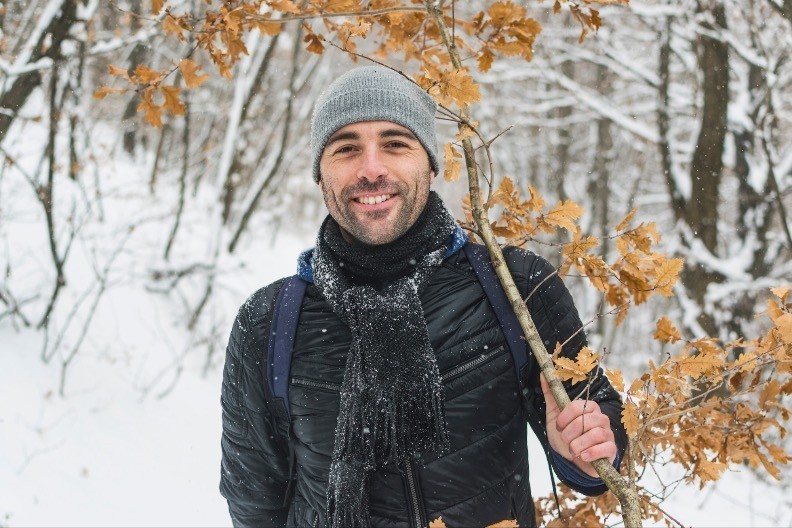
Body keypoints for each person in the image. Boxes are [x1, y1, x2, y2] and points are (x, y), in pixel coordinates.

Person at [219, 66, 627, 528]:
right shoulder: (270, 322)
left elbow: (600, 444)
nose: (371, 169)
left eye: (395, 144)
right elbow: (254, 502)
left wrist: (585, 446)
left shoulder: (516, 286)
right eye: (346, 148)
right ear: (320, 174)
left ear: (430, 164)